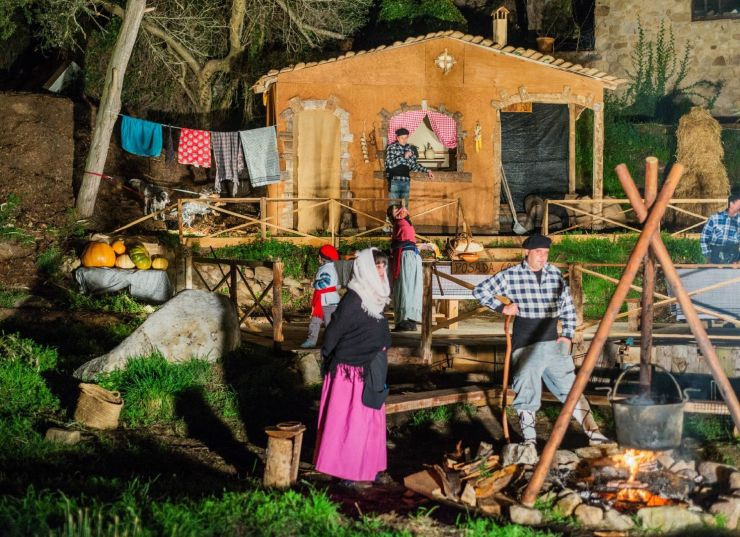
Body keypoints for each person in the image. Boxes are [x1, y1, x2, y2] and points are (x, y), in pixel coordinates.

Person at [472, 233, 608, 447]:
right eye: (538, 253)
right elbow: (480, 290)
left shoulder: (554, 274)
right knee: (527, 389)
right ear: (527, 252)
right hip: (526, 344)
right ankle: (530, 440)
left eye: (546, 253)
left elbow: (567, 306)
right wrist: (502, 307)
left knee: (571, 388)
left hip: (554, 343)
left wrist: (567, 335)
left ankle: (594, 433)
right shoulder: (511, 275)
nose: (543, 257)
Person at [314, 248, 392, 485]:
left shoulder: (378, 296)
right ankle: (346, 469)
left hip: (372, 367)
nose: (381, 270)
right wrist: (327, 357)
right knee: (351, 421)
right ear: (366, 267)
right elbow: (334, 332)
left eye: (384, 265)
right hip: (350, 371)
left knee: (370, 419)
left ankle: (370, 466)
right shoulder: (354, 297)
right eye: (377, 265)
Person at [388, 205, 422, 332]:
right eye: (394, 212)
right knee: (411, 289)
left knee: (405, 288)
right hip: (410, 257)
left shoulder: (401, 223)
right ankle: (410, 321)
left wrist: (391, 246)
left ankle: (404, 322)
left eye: (397, 210)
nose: (397, 213)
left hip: (406, 257)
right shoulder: (405, 222)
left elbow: (403, 242)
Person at [301, 244, 341, 348]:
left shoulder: (326, 269)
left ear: (323, 258)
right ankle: (315, 341)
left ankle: (316, 341)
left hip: (327, 302)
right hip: (326, 301)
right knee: (320, 322)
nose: (318, 257)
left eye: (319, 256)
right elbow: (337, 285)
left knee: (323, 323)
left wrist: (314, 284)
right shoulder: (330, 268)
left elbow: (324, 284)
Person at [384, 127, 434, 208]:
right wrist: (404, 156)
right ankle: (391, 220)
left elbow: (414, 165)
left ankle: (404, 221)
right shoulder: (392, 147)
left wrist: (427, 170)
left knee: (404, 208)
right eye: (402, 138)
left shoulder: (410, 149)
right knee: (393, 207)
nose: (404, 140)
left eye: (406, 137)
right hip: (394, 180)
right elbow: (390, 164)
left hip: (406, 181)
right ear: (397, 138)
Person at [700, 190, 740, 264]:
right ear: (731, 204)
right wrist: (708, 257)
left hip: (733, 258)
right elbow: (704, 239)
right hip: (715, 257)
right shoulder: (714, 218)